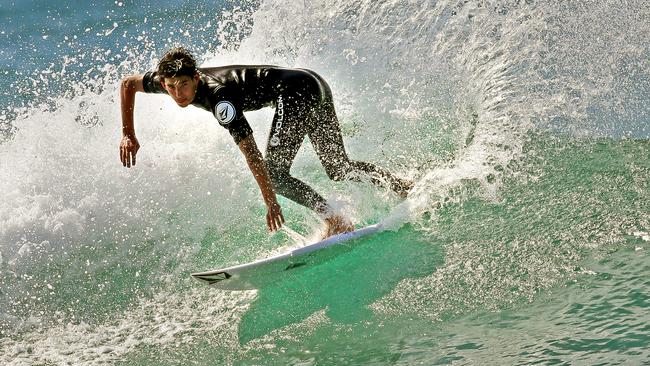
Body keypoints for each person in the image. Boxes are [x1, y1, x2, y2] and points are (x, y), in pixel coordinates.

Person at [119, 47, 411, 237]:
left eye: (184, 85)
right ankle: (402, 186)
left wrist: (270, 200)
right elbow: (127, 84)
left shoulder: (221, 99)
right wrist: (128, 133)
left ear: (196, 78)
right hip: (312, 82)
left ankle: (335, 219)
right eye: (170, 87)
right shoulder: (165, 80)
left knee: (275, 176)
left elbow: (251, 152)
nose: (178, 94)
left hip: (299, 92)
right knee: (338, 168)